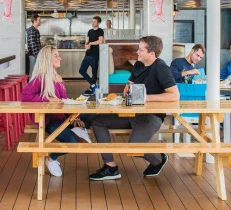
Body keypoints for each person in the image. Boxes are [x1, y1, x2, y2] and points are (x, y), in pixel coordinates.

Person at [89, 36, 179, 181]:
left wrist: (145, 98)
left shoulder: (161, 68)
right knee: (98, 121)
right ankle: (110, 167)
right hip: (132, 113)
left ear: (151, 53)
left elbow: (174, 95)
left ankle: (158, 159)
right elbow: (129, 84)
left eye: (141, 50)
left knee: (133, 148)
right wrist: (127, 88)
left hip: (151, 116)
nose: (137, 52)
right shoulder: (138, 64)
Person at [21, 46, 91, 177]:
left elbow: (64, 101)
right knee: (73, 143)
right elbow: (25, 97)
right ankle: (51, 158)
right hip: (49, 120)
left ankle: (78, 128)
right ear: (47, 59)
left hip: (62, 117)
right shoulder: (40, 78)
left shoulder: (58, 77)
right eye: (56, 56)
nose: (60, 58)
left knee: (92, 115)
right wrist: (47, 98)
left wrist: (75, 117)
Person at [80, 15, 105, 96]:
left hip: (95, 55)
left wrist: (91, 43)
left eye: (94, 22)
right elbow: (87, 41)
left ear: (98, 23)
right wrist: (86, 45)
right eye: (92, 21)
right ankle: (94, 85)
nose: (93, 23)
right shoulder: (90, 31)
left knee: (94, 74)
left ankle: (92, 89)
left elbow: (100, 41)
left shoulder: (100, 31)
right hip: (88, 54)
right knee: (81, 71)